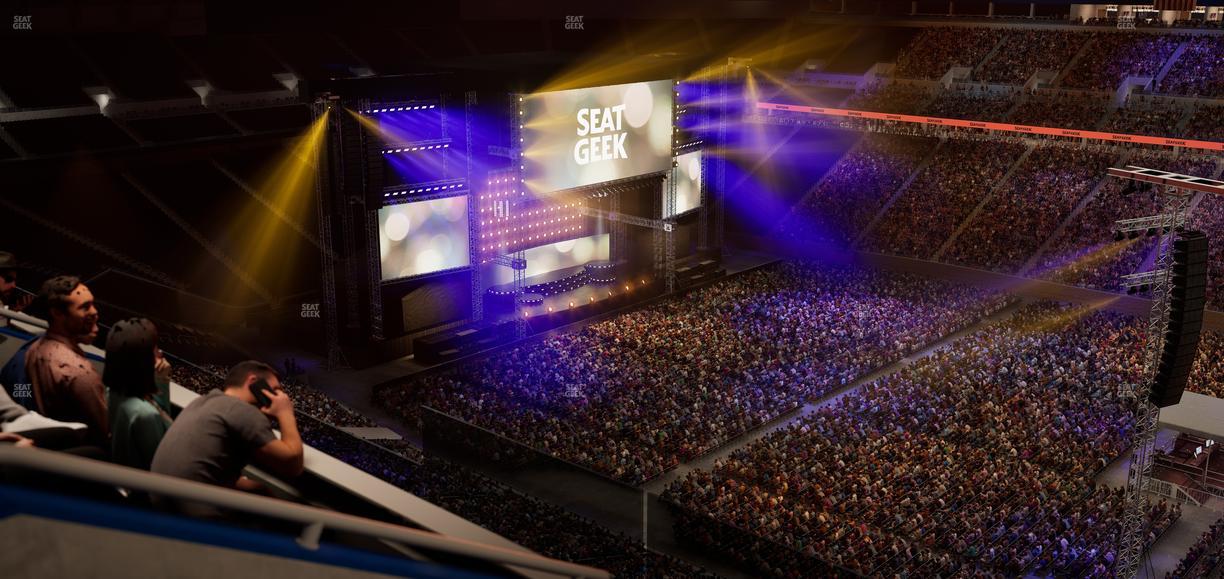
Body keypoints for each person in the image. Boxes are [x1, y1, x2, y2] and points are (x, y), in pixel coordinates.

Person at [150, 360, 303, 516]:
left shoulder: (204, 401)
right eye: (276, 390)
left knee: (258, 490)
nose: (280, 396)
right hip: (192, 520)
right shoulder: (242, 410)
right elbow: (293, 464)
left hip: (159, 504)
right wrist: (285, 412)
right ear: (254, 382)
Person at [23, 276, 108, 447]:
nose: (94, 312)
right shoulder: (79, 372)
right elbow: (104, 432)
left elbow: (23, 391)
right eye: (84, 307)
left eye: (92, 303)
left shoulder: (33, 349)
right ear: (57, 313)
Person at [104, 318, 172, 470]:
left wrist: (161, 381)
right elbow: (160, 462)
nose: (160, 352)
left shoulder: (113, 391)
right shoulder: (145, 414)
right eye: (154, 349)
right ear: (143, 361)